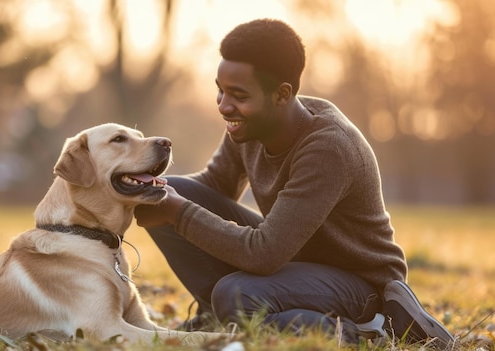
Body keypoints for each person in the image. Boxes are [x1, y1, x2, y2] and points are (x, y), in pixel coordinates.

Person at [134, 18, 454, 348]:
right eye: (220, 89)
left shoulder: (329, 148)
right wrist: (141, 190)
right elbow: (215, 185)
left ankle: (375, 330)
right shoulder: (249, 126)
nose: (224, 105)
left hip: (360, 284)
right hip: (293, 260)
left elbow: (264, 255)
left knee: (235, 294)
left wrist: (178, 213)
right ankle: (218, 315)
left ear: (282, 94)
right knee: (165, 190)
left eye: (239, 95)